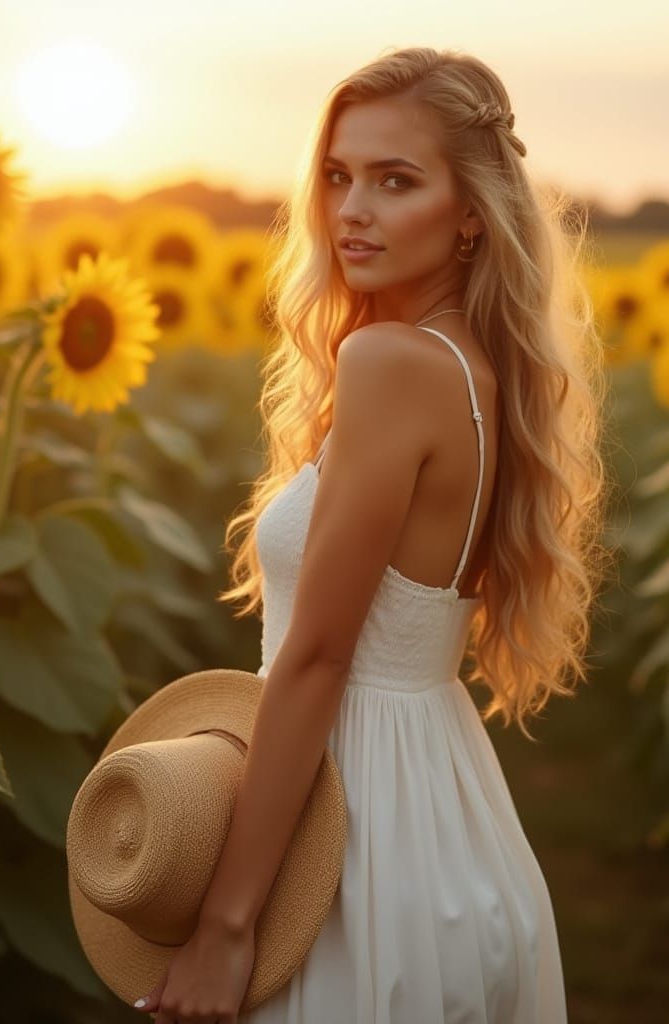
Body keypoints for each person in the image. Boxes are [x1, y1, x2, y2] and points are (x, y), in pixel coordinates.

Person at [141, 45, 610, 1024]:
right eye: (337, 176)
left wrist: (228, 922)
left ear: (471, 211)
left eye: (396, 181)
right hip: (440, 804)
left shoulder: (391, 363)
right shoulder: (472, 368)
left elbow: (318, 657)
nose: (351, 209)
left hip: (351, 830)